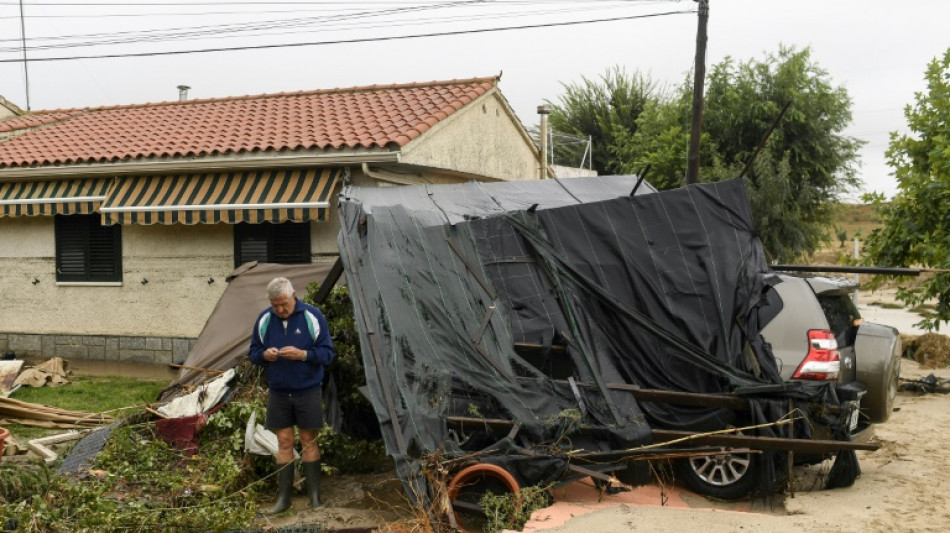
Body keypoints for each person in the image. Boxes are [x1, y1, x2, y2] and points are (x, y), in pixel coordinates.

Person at [249, 277, 335, 513]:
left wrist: (304, 355)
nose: (279, 309)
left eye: (283, 304)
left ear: (293, 295)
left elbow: (328, 354)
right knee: (284, 442)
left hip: (307, 389)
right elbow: (253, 353)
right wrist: (264, 355)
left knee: (309, 440)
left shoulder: (312, 317)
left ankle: (315, 498)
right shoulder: (265, 319)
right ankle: (283, 500)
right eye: (275, 305)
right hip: (278, 391)